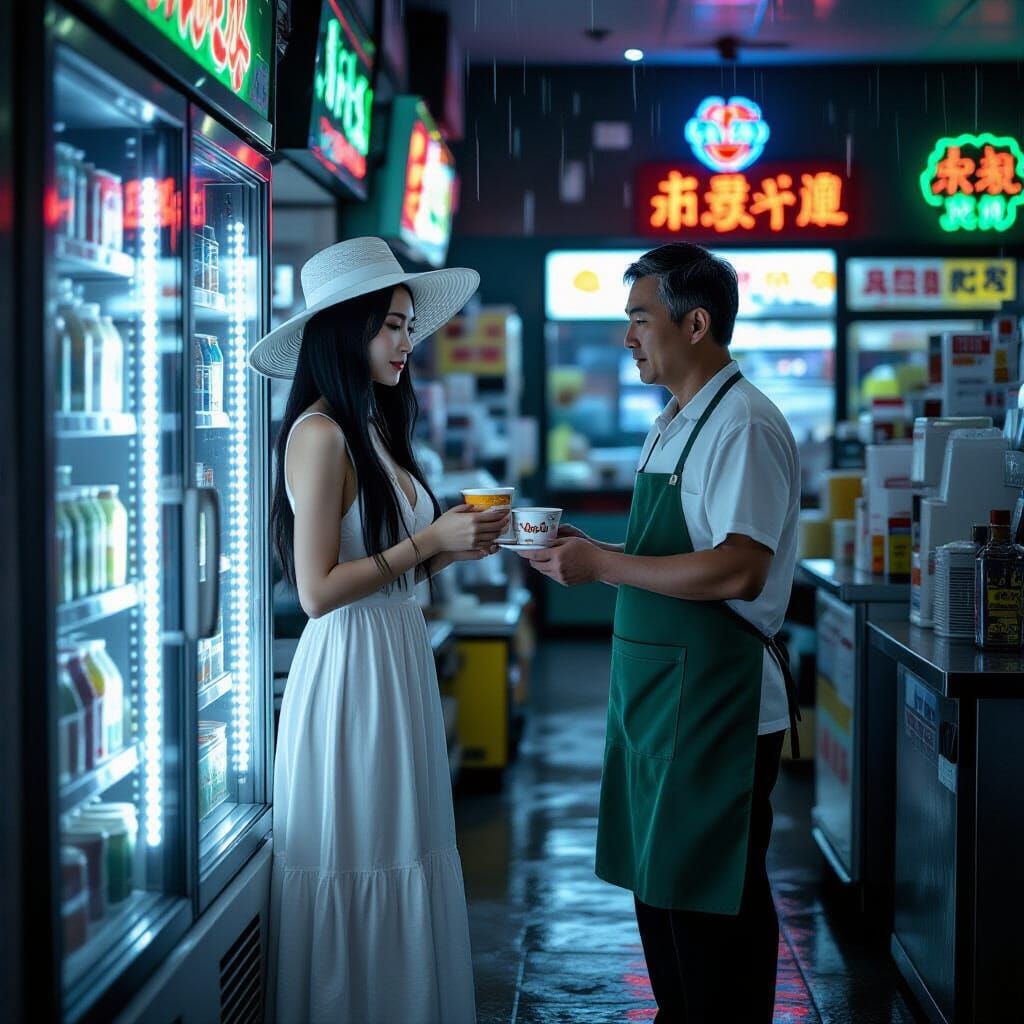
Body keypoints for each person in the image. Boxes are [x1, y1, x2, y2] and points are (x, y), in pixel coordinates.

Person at [520, 243, 801, 1022]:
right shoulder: (675, 423)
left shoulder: (742, 424)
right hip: (658, 697)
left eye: (640, 319)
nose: (628, 338)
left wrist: (604, 564)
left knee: (712, 907)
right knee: (662, 891)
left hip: (720, 700)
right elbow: (665, 551)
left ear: (698, 323)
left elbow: (740, 568)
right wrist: (592, 549)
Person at [250, 237, 506, 1023]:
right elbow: (320, 590)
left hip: (392, 657)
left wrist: (450, 546)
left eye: (406, 326)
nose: (407, 342)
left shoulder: (372, 425)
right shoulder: (320, 434)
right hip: (352, 673)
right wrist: (429, 542)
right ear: (342, 330)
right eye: (391, 326)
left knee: (403, 844)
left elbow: (387, 568)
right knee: (364, 850)